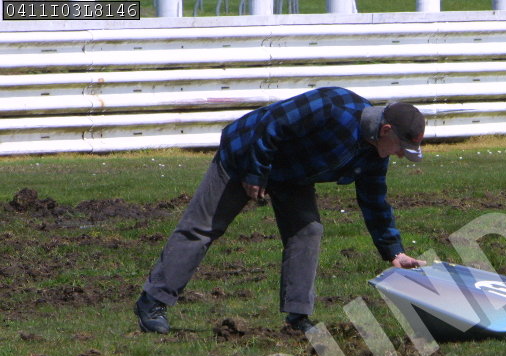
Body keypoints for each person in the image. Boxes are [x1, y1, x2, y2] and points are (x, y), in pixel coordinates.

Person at [134, 86, 426, 334]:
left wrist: (394, 251)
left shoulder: (374, 154)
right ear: (385, 130)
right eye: (401, 147)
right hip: (246, 153)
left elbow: (374, 201)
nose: (400, 155)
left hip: (291, 173)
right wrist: (255, 173)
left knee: (308, 231)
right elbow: (271, 123)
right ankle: (153, 301)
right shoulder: (333, 105)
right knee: (203, 226)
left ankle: (297, 317)